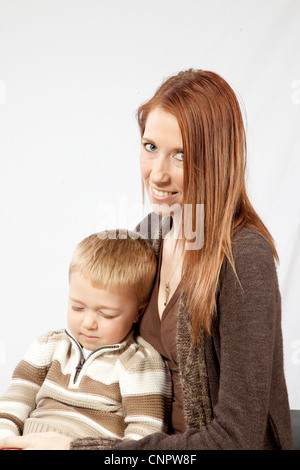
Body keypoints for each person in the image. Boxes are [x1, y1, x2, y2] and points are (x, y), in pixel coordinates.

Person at [0, 69, 293, 450]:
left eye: (181, 156)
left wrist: (78, 448)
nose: (157, 174)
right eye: (150, 147)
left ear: (217, 159)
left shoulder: (244, 258)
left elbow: (237, 439)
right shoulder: (151, 232)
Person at [0, 230, 172, 441]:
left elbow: (144, 436)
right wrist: (5, 437)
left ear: (138, 312)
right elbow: (16, 399)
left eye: (106, 314)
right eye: (77, 308)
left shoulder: (139, 363)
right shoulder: (49, 346)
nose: (88, 323)